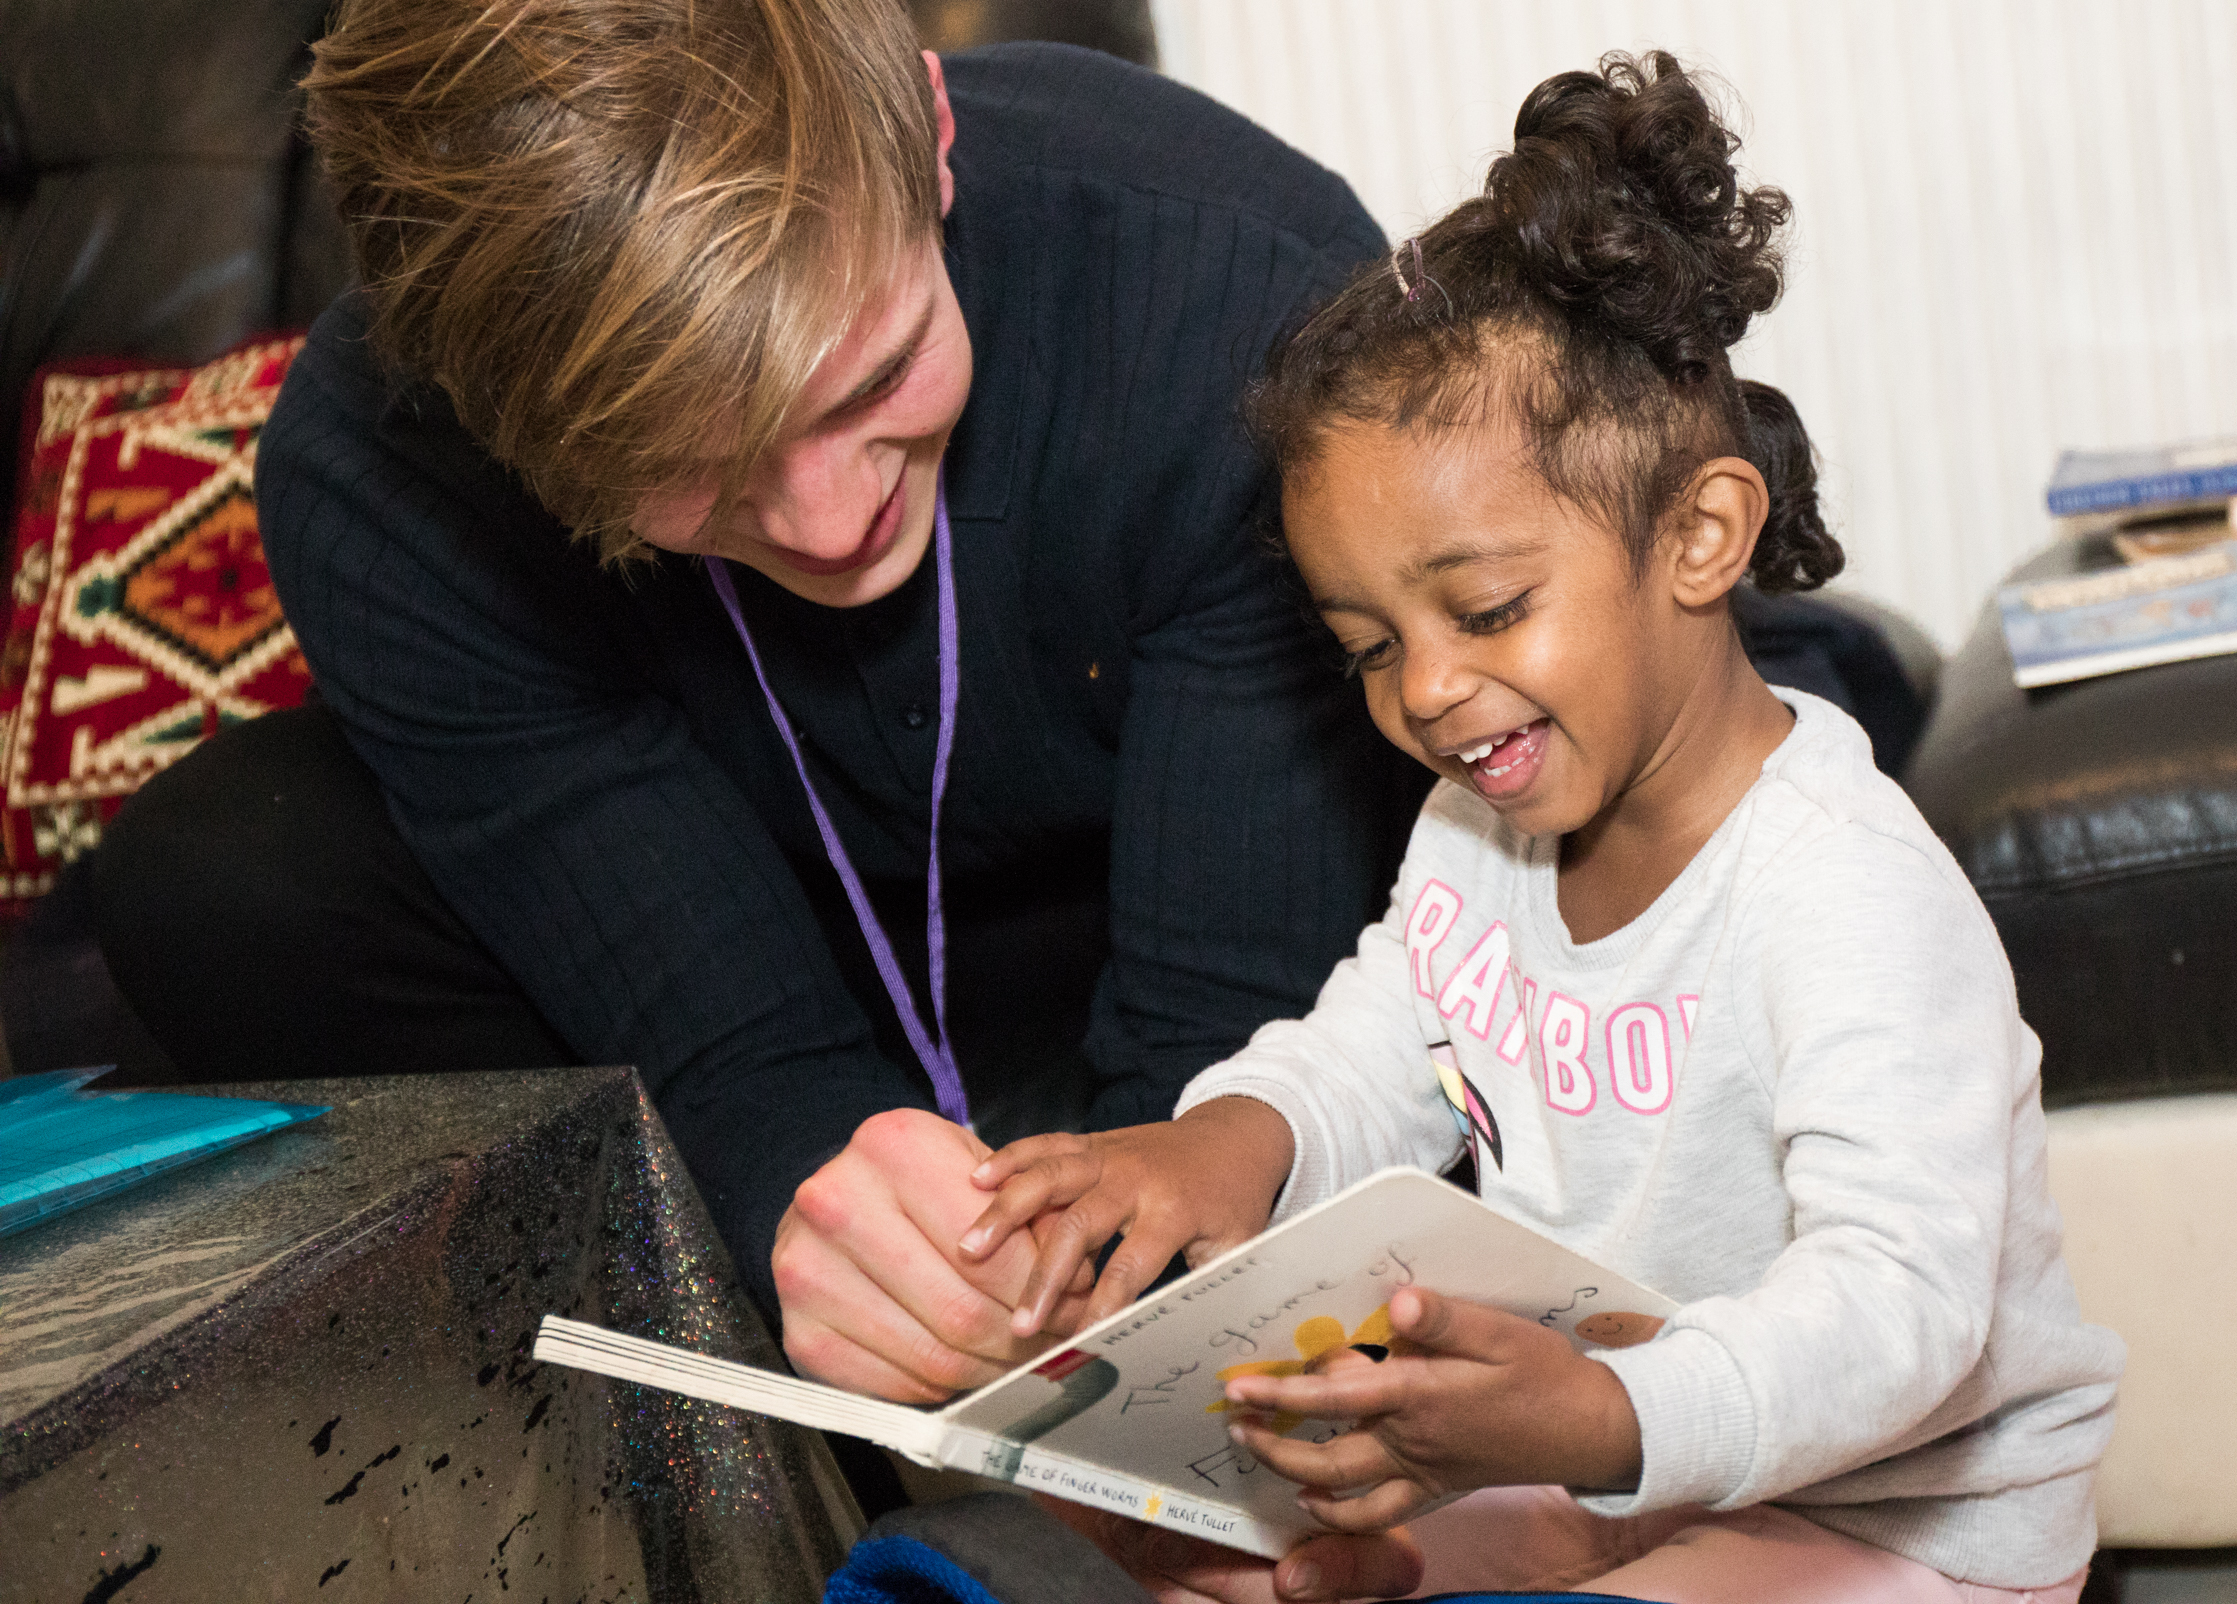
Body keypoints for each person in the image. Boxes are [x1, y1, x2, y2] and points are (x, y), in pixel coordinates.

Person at [94, 0, 1428, 1432]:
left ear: (929, 135)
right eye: (698, 469)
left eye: (871, 379)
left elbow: (1217, 1042)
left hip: (1154, 921)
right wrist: (794, 1188)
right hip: (741, 925)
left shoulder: (1235, 292)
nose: (835, 519)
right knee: (224, 868)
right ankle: (701, 1435)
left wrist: (1117, 1314)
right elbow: (732, 1046)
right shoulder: (385, 469)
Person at [956, 54, 2126, 1603]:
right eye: (1366, 646)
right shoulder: (1476, 823)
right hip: (1603, 1464)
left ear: (1699, 535)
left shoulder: (1842, 891)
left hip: (1893, 1515)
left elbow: (1900, 1312)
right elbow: (1375, 1049)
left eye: (1487, 610)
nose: (1427, 690)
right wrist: (1213, 1148)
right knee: (1227, 1556)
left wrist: (1589, 1415)